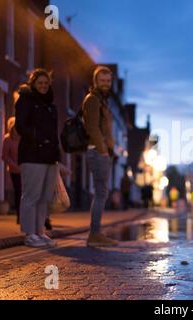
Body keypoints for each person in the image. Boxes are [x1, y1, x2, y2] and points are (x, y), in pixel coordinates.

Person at [15, 69, 60, 248]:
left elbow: (54, 133)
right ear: (33, 83)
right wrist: (38, 138)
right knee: (31, 195)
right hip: (32, 155)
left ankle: (40, 232)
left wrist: (57, 154)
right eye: (40, 83)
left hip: (49, 157)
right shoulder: (26, 100)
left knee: (44, 197)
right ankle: (29, 234)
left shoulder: (51, 106)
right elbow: (20, 126)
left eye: (46, 83)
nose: (43, 86)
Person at [82, 66, 118, 247]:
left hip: (102, 151)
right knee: (101, 192)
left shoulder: (103, 101)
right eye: (102, 81)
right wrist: (103, 149)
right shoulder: (93, 100)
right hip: (98, 152)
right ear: (96, 81)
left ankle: (96, 233)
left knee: (101, 191)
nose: (106, 84)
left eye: (108, 81)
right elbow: (92, 128)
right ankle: (94, 234)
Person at [2, 117, 21, 224]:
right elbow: (4, 156)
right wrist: (14, 166)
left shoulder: (22, 139)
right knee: (18, 192)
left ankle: (26, 216)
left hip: (25, 170)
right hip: (14, 171)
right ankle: (19, 216)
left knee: (26, 194)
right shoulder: (7, 139)